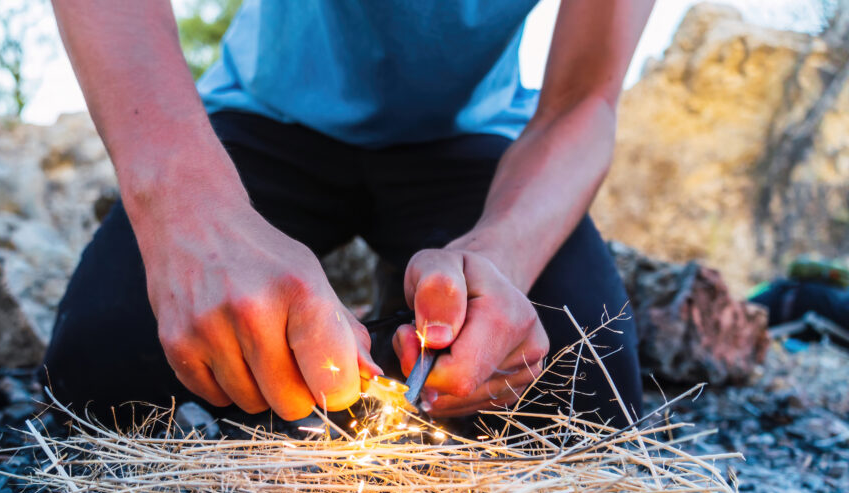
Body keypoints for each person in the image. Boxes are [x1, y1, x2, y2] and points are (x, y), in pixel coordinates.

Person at [44, 0, 654, 428]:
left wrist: (499, 257)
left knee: (581, 387)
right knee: (104, 367)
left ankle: (405, 319)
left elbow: (585, 100)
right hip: (265, 116)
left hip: (467, 136)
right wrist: (189, 216)